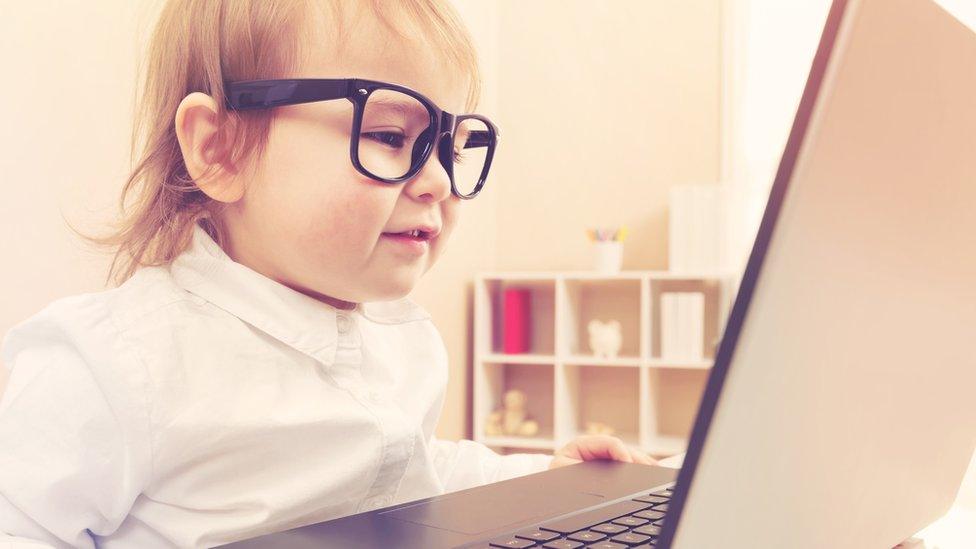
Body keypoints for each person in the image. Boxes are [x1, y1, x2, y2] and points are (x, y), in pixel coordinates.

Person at [0, 1, 655, 546]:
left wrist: (540, 473)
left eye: (451, 147)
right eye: (394, 137)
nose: (436, 180)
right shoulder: (116, 363)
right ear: (220, 149)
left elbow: (413, 476)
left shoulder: (402, 337)